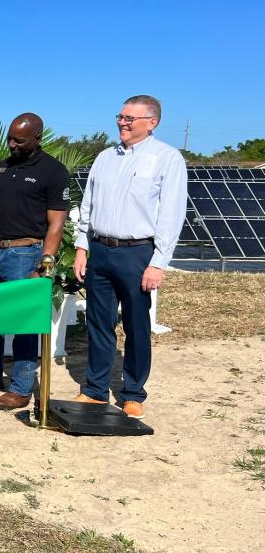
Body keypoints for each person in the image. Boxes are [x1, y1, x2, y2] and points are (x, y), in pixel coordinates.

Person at [73, 95, 187, 419]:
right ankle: (95, 390)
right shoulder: (104, 158)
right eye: (120, 117)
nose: (122, 123)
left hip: (138, 252)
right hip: (100, 250)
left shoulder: (167, 159)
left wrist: (158, 262)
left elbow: (171, 213)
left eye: (130, 119)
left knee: (137, 326)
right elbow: (88, 206)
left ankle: (133, 393)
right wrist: (82, 247)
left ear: (152, 122)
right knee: (98, 322)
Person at [0, 113, 70, 411]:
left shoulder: (53, 172)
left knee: (24, 322)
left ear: (37, 138)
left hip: (26, 254)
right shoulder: (0, 169)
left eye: (19, 140)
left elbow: (56, 224)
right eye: (9, 139)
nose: (11, 144)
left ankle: (21, 389)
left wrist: (46, 265)